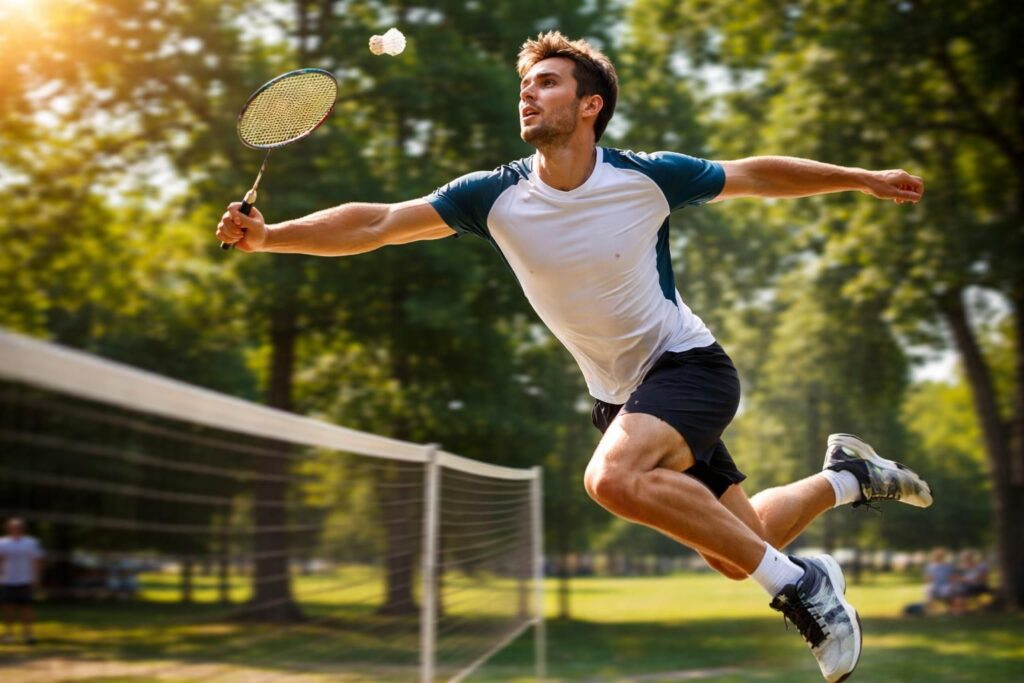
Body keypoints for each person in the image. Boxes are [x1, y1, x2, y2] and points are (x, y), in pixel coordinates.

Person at [216, 31, 933, 682]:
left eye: (548, 82)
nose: (528, 94)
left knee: (612, 479)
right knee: (738, 547)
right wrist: (272, 237)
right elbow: (377, 222)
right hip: (621, 400)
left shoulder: (646, 177)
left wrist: (860, 177)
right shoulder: (493, 195)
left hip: (689, 368)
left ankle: (802, 587)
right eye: (525, 85)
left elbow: (755, 174)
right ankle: (846, 476)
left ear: (591, 105)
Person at [0, 518, 44, 645]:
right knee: (7, 608)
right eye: (14, 527)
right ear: (8, 528)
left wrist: (37, 577)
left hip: (26, 579)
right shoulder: (2, 542)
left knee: (27, 608)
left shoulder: (31, 542)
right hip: (7, 580)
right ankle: (8, 634)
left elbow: (38, 560)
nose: (16, 529)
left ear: (23, 529)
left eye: (19, 527)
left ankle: (28, 634)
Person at [924, 548, 963, 615]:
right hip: (935, 585)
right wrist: (929, 580)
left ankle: (954, 609)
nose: (938, 557)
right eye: (937, 555)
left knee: (952, 589)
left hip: (946, 585)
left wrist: (954, 583)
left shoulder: (948, 566)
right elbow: (928, 579)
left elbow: (952, 578)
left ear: (943, 556)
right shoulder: (930, 567)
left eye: (940, 556)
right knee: (928, 588)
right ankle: (930, 610)